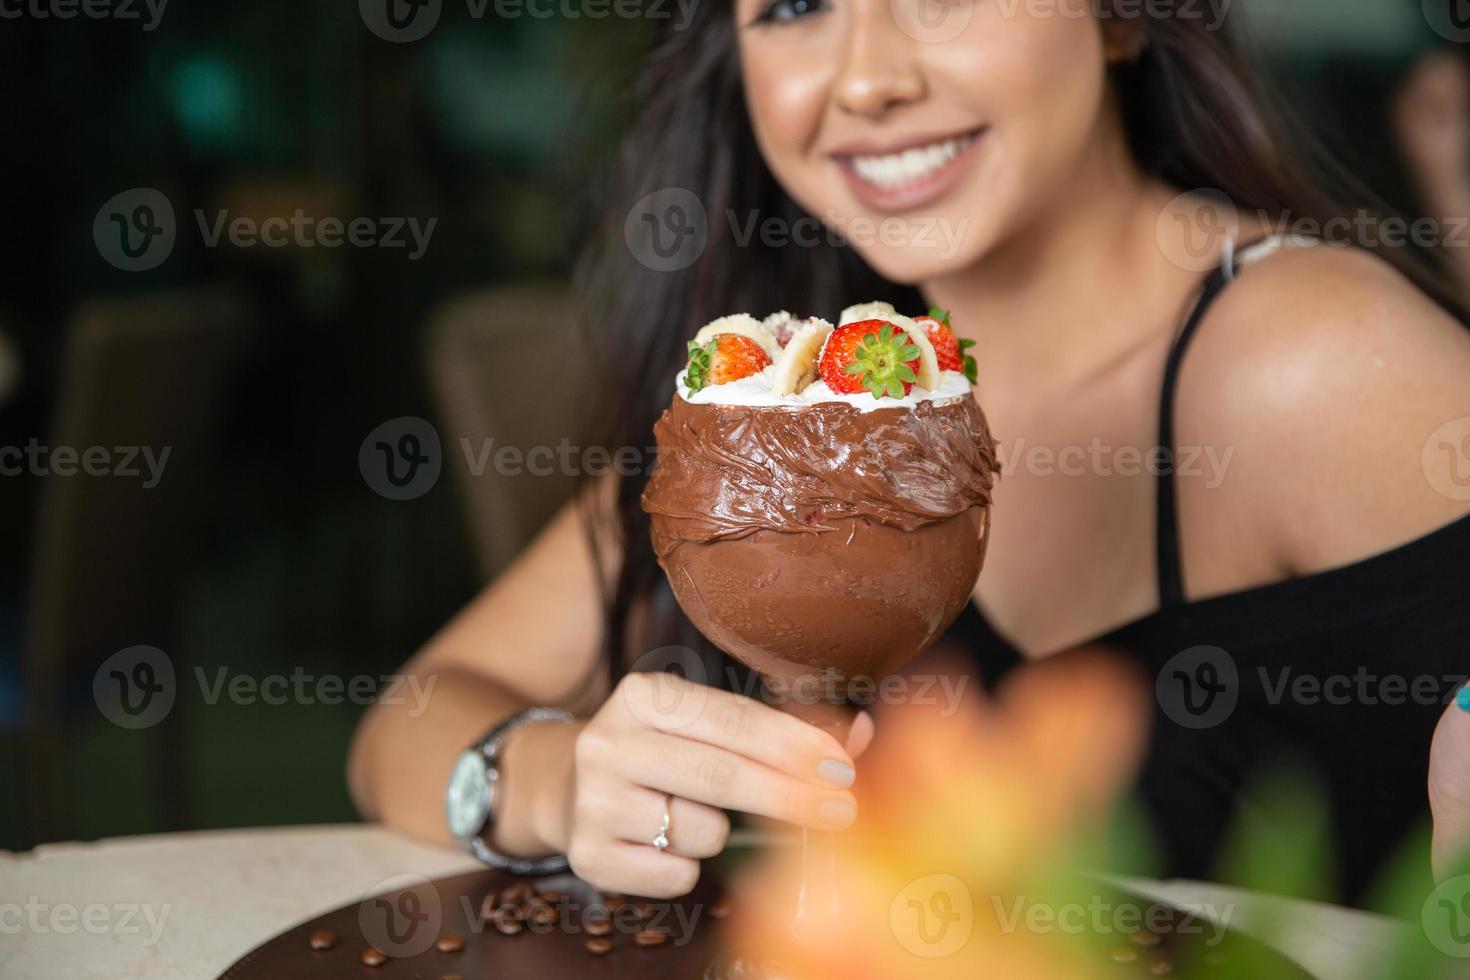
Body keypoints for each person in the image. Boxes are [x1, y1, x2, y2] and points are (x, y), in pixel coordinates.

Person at [350, 0, 1470, 906]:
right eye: (793, 5)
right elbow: (408, 721)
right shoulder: (812, 397)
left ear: (1123, 18)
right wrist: (556, 779)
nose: (867, 77)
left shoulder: (1312, 357)